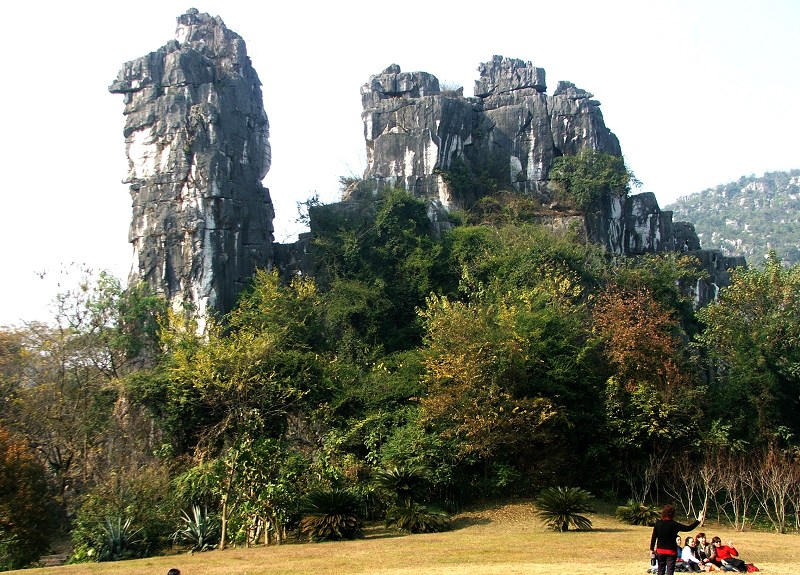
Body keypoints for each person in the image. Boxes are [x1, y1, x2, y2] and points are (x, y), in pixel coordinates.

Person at [650, 504, 705, 575]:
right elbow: (688, 528)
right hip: (671, 551)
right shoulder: (674, 524)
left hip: (660, 551)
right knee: (670, 571)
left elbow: (654, 537)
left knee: (661, 570)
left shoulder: (658, 523)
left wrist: (651, 549)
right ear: (673, 514)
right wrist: (698, 520)